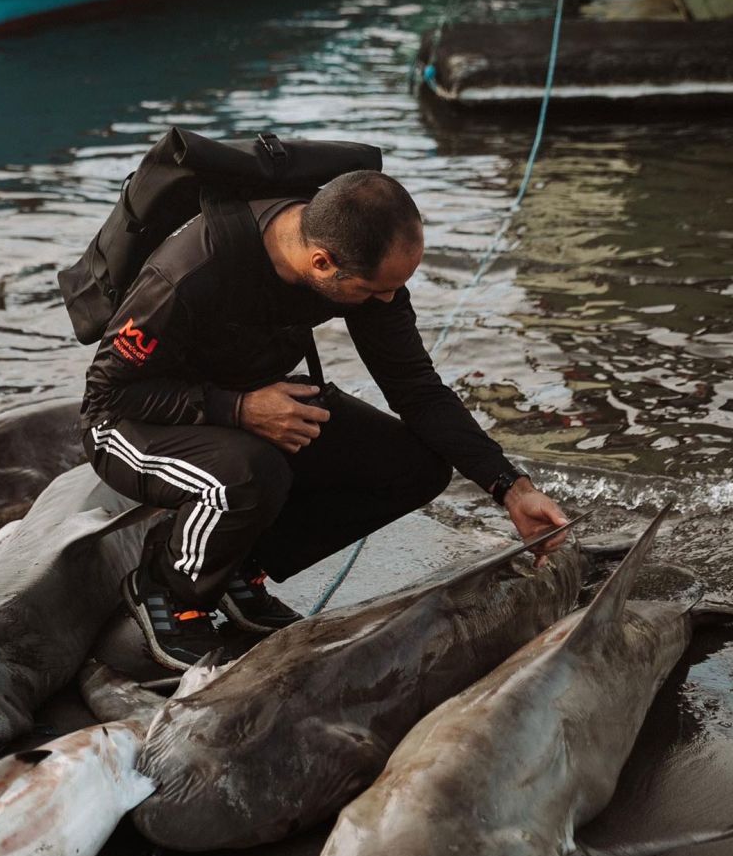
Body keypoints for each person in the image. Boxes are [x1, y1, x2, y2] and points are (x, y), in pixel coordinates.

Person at [81, 170, 569, 671]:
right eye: (375, 291)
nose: (387, 302)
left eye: (397, 288)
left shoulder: (359, 267)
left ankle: (236, 570)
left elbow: (417, 390)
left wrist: (511, 487)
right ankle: (166, 589)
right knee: (248, 475)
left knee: (416, 466)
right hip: (128, 422)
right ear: (321, 263)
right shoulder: (188, 274)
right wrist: (238, 408)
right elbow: (106, 394)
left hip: (243, 401)